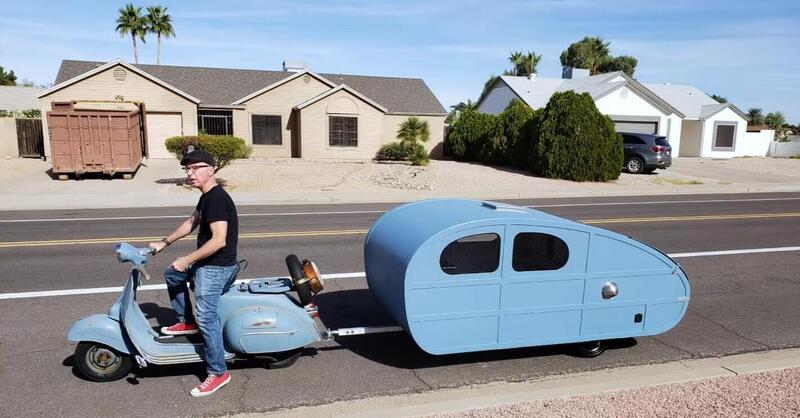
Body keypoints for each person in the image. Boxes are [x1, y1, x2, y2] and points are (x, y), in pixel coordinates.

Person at [149, 149, 239, 398]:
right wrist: (164, 243)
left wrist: (187, 259)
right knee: (172, 274)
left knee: (207, 318)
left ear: (211, 170)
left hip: (217, 268)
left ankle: (218, 372)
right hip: (206, 264)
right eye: (187, 169)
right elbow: (191, 222)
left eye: (196, 168)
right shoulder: (206, 197)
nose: (190, 173)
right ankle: (187, 321)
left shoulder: (217, 199)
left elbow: (219, 240)